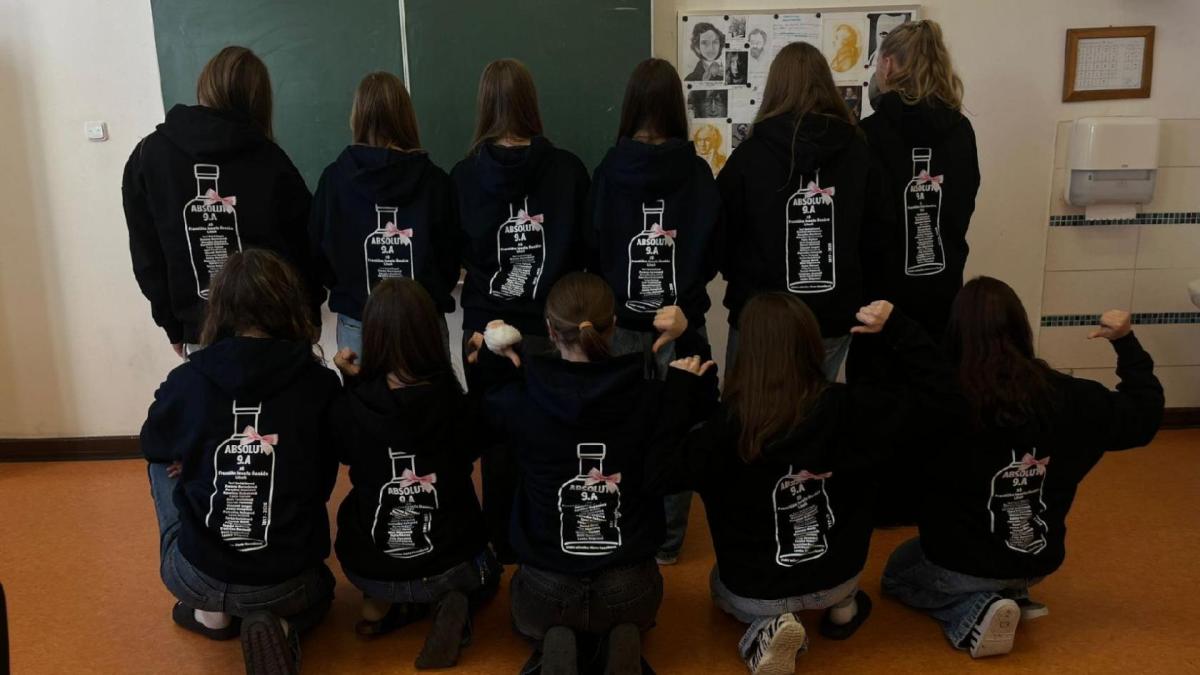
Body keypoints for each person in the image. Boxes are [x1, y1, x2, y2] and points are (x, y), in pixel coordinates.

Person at [661, 294, 953, 674]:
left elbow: (662, 472)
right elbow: (942, 398)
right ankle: (843, 607)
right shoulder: (852, 409)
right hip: (837, 577)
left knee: (720, 585)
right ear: (812, 344)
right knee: (845, 569)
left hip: (756, 591)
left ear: (748, 353)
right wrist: (899, 327)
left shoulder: (725, 430)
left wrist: (679, 388)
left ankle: (769, 625)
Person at [882, 277, 1164, 658]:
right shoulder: (1071, 398)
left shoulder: (941, 405)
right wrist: (1125, 342)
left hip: (960, 561)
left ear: (956, 334)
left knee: (898, 571)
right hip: (1036, 560)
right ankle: (1011, 592)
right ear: (1021, 329)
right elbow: (1144, 416)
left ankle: (976, 609)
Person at [467, 272, 718, 674]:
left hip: (546, 593)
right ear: (614, 325)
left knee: (526, 611)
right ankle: (618, 634)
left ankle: (556, 635)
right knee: (632, 607)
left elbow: (480, 415)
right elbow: (705, 403)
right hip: (630, 591)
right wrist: (688, 338)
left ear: (550, 331)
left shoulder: (519, 400)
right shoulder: (653, 396)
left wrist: (493, 359)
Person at [140, 250, 341, 674]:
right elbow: (329, 471)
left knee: (160, 464)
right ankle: (282, 624)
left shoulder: (188, 378)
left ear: (220, 309)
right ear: (290, 305)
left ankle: (210, 615)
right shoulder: (320, 384)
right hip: (287, 581)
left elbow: (153, 443)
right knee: (322, 592)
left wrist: (192, 460)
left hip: (198, 576)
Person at [452, 58, 590, 561]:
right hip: (553, 329)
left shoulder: (463, 176)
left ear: (484, 106)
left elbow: (454, 252)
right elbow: (584, 253)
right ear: (532, 103)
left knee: (496, 442)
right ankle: (551, 538)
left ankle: (501, 543)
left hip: (483, 328)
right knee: (554, 436)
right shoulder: (569, 170)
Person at [588, 58, 724, 565]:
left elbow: (592, 248)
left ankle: (627, 530)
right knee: (680, 430)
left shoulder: (607, 172)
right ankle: (668, 542)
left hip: (620, 327)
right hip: (683, 325)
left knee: (621, 432)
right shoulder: (697, 173)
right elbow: (714, 251)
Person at [329, 279, 499, 669]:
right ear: (430, 334)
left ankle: (386, 603)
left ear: (371, 336)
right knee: (486, 571)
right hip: (448, 562)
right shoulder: (454, 405)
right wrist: (482, 373)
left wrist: (351, 382)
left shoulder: (350, 405)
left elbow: (345, 448)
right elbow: (483, 436)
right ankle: (446, 601)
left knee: (374, 565)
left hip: (371, 568)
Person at [850, 20, 981, 526]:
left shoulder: (868, 134)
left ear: (887, 65)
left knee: (877, 395)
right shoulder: (960, 131)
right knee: (935, 387)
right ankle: (927, 497)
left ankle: (880, 502)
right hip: (940, 288)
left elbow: (858, 221)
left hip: (879, 293)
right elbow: (964, 206)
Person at [123, 46, 321, 360]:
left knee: (208, 394)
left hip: (200, 329)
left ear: (205, 85)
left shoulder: (149, 155)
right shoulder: (270, 158)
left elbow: (147, 256)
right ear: (258, 99)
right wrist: (310, 314)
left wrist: (172, 326)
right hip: (273, 329)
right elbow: (304, 245)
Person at [717, 41, 891, 378]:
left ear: (775, 87)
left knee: (749, 405)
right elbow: (879, 236)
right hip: (832, 316)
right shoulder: (859, 152)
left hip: (761, 316)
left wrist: (742, 278)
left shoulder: (749, 156)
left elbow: (722, 234)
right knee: (816, 407)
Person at [309, 72, 460, 355]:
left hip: (359, 323)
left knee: (364, 387)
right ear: (407, 117)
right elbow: (450, 259)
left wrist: (353, 289)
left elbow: (318, 254)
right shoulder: (435, 182)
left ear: (357, 117)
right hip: (422, 323)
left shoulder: (334, 180)